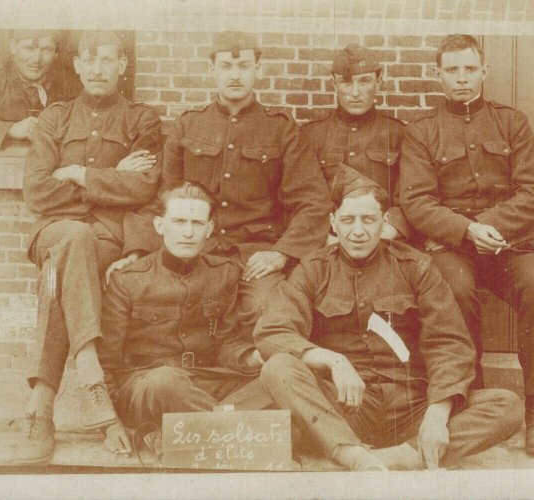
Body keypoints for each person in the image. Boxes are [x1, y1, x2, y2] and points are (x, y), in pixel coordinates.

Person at [254, 167, 523, 471]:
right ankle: (354, 456)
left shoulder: (415, 266)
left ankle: (393, 457)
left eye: (368, 220)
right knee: (278, 367)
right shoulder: (314, 269)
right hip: (347, 410)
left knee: (507, 406)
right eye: (347, 220)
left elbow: (449, 342)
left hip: (412, 408)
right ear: (333, 224)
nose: (358, 231)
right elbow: (273, 331)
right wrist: (333, 360)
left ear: (384, 222)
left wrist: (437, 414)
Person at [398, 34, 534, 454]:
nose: (462, 79)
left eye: (470, 69)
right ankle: (475, 397)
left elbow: (532, 191)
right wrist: (467, 231)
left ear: (484, 72)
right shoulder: (422, 131)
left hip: (512, 244)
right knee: (453, 290)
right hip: (452, 246)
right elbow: (415, 200)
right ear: (438, 76)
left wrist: (490, 226)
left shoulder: (511, 122)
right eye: (452, 71)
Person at [112, 31, 330, 331]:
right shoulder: (188, 125)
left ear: (258, 69)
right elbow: (161, 196)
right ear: (212, 69)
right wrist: (136, 252)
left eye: (243, 65)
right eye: (226, 66)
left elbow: (312, 201)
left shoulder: (281, 129)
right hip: (196, 253)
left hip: (254, 257)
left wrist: (281, 253)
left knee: (270, 316)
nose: (235, 75)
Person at [17, 30, 162, 464]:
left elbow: (146, 187)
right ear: (77, 65)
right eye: (89, 59)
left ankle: (42, 405)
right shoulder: (56, 118)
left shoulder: (143, 120)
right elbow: (37, 192)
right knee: (72, 241)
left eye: (108, 60)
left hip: (106, 238)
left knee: (59, 274)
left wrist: (79, 173)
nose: (98, 68)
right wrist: (110, 178)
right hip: (55, 230)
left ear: (123, 67)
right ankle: (91, 374)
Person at [99, 182, 271, 456]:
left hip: (205, 380)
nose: (188, 233)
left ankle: (185, 433)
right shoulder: (128, 280)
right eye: (178, 221)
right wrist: (110, 424)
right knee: (167, 382)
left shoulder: (224, 273)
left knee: (276, 378)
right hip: (147, 386)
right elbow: (106, 361)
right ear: (159, 225)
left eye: (197, 223)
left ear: (210, 229)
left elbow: (227, 342)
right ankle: (236, 431)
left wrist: (253, 358)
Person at [301, 44, 409, 242]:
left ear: (379, 82)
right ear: (334, 84)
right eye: (346, 82)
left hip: (384, 239)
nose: (355, 92)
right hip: (327, 241)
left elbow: (407, 195)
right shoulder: (310, 136)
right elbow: (301, 198)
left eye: (365, 81)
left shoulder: (398, 134)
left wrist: (392, 228)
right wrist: (322, 236)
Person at [0, 29, 68, 148]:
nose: (36, 59)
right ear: (13, 46)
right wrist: (11, 129)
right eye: (28, 49)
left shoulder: (69, 80)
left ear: (56, 52)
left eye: (46, 50)